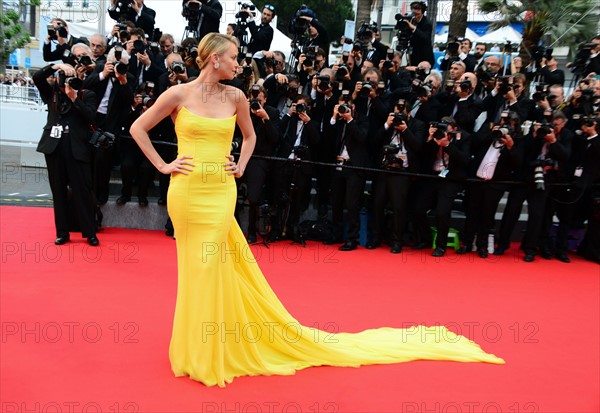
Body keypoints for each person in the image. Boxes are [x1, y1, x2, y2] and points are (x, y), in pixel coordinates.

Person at [129, 32, 503, 388]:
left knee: (211, 266)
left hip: (220, 192)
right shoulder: (177, 93)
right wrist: (165, 165)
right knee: (196, 268)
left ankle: (207, 350)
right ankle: (197, 346)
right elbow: (137, 128)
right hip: (187, 192)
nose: (238, 64)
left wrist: (241, 165)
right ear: (215, 58)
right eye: (233, 58)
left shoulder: (237, 97)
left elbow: (251, 135)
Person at [33, 62, 99, 247]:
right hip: (54, 148)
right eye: (62, 76)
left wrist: (74, 97)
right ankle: (62, 232)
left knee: (82, 192)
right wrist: (56, 66)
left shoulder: (87, 94)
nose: (64, 81)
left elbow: (91, 116)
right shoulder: (51, 93)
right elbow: (37, 77)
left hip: (77, 149)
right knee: (58, 192)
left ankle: (90, 232)